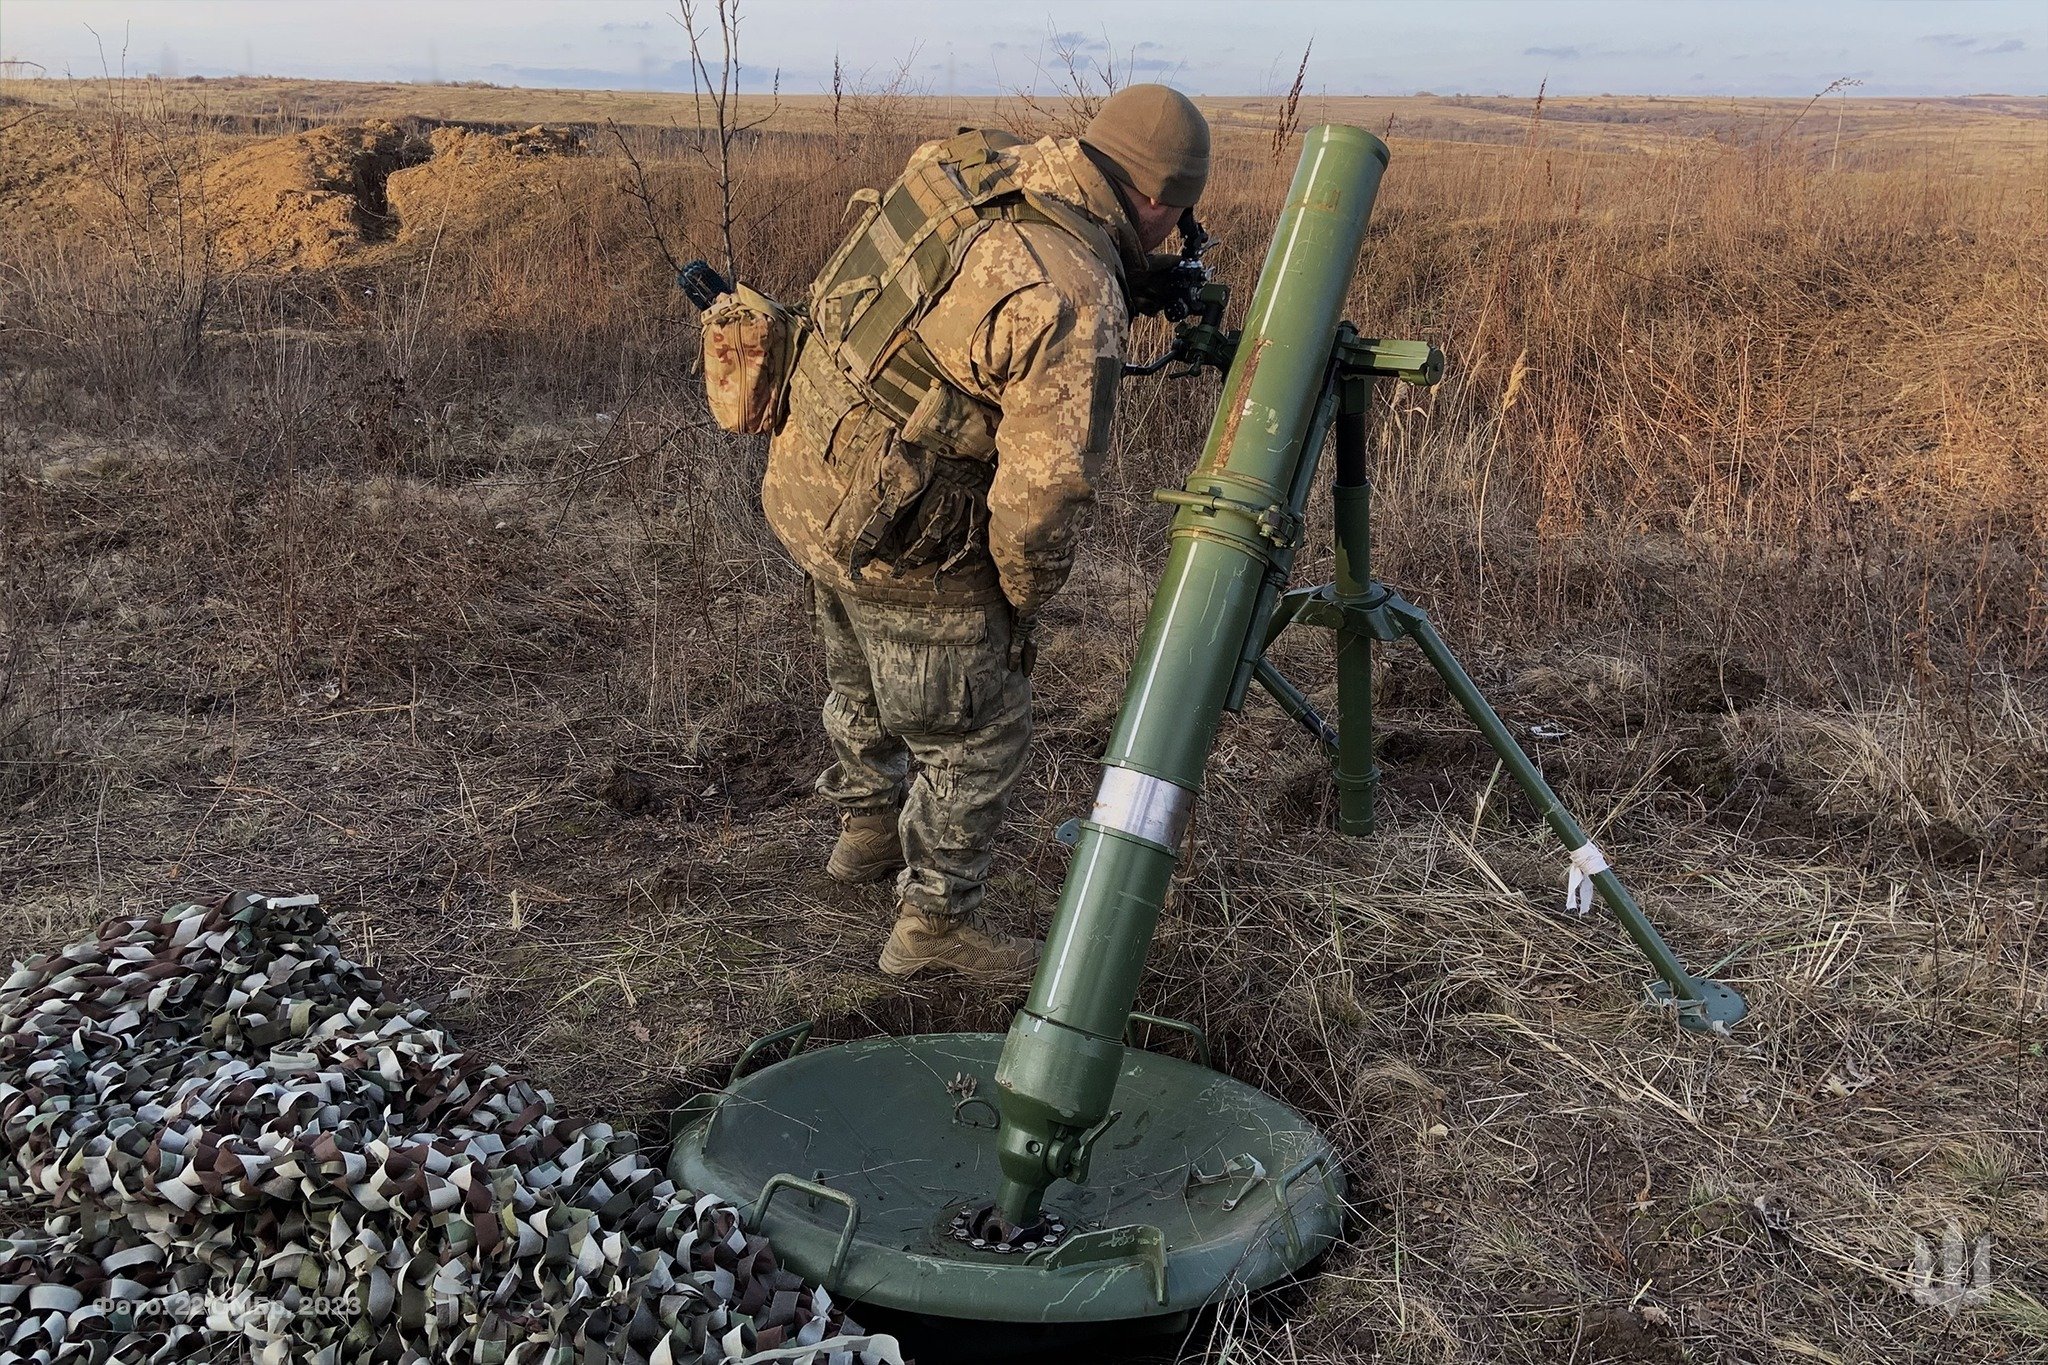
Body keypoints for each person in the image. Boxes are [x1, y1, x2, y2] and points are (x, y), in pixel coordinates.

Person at [762, 84, 1211, 978]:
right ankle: (933, 928)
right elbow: (1043, 496)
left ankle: (862, 833)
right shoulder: (1071, 292)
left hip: (810, 484)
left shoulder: (966, 165)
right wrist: (1020, 601)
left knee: (859, 674)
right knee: (976, 731)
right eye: (1180, 217)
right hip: (901, 529)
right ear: (1160, 199)